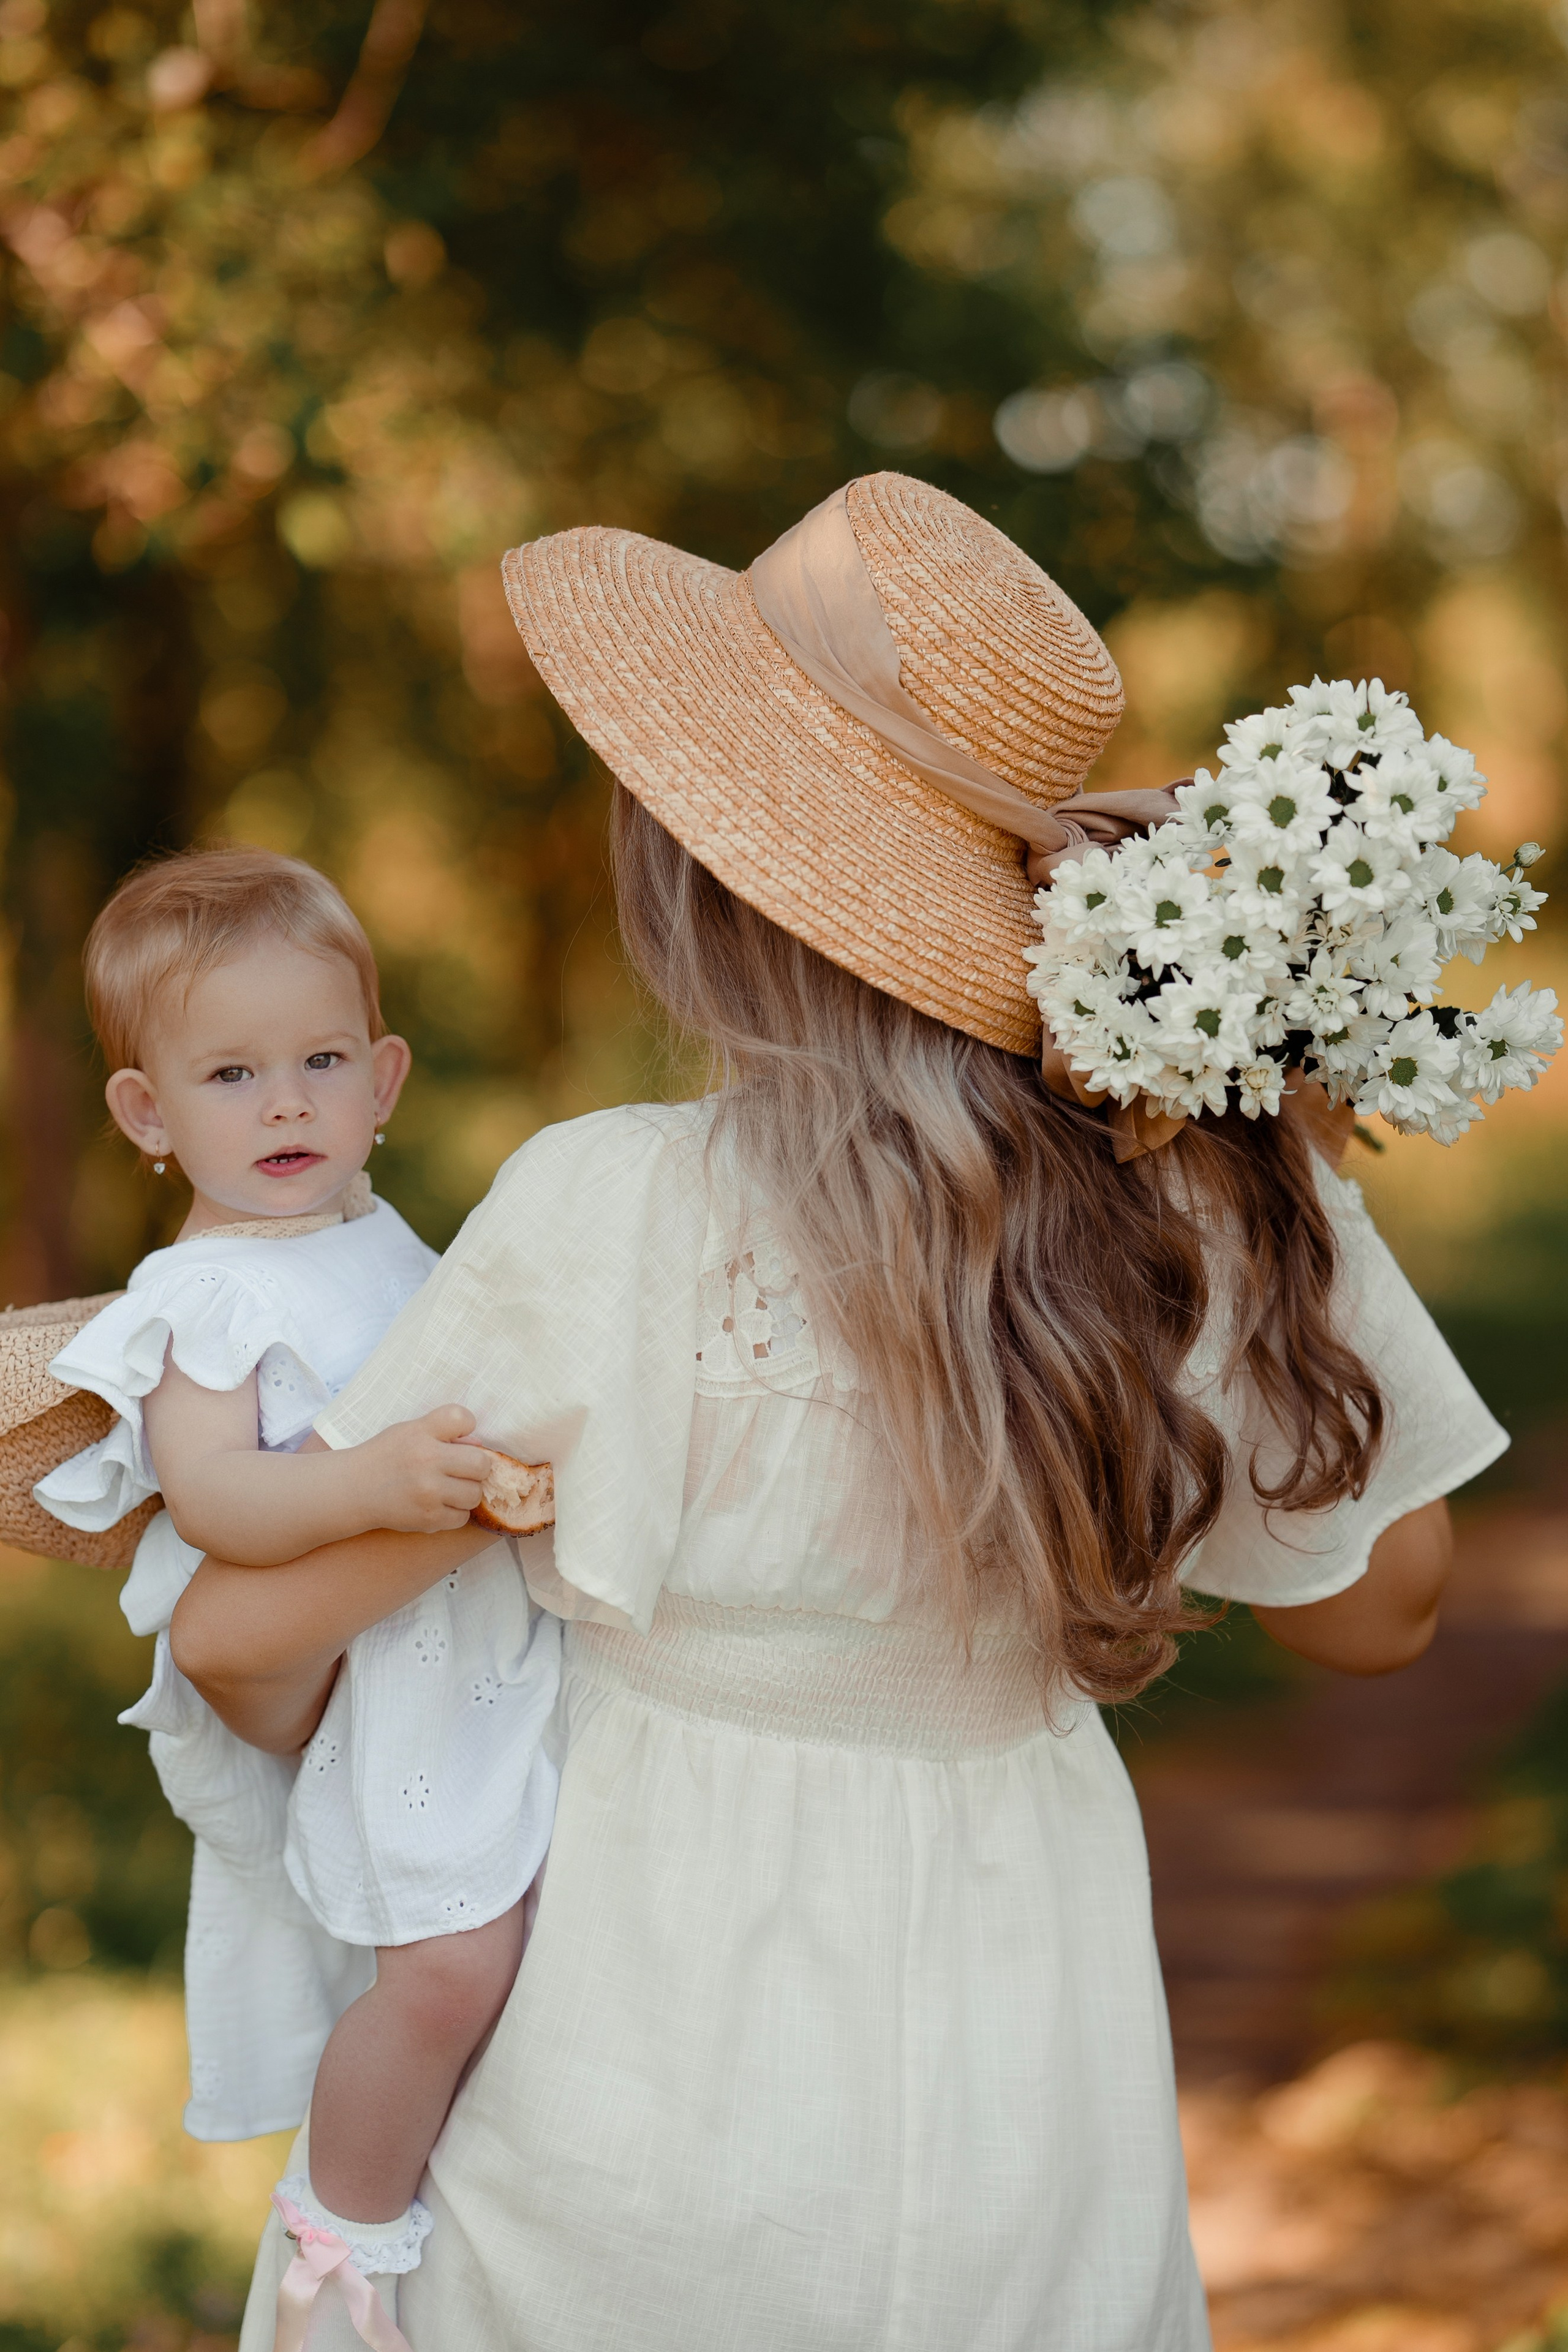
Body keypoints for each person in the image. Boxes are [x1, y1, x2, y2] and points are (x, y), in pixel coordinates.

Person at [175, 475, 1505, 2352]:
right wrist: (1287, 1196)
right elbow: (1387, 1605)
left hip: (646, 2059)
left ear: (709, 872)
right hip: (1028, 2047)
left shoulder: (617, 1203)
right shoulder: (1187, 1202)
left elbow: (250, 1645)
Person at [34, 850, 560, 2310]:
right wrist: (367, 1487)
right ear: (147, 1113)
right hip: (384, 1693)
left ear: (382, 1081)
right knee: (448, 1970)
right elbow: (213, 1493)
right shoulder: (204, 1291)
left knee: (541, 1947)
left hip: (476, 1647)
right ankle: (344, 2241)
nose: (285, 1103)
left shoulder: (374, 1240)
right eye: (231, 1075)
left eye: (322, 1060)